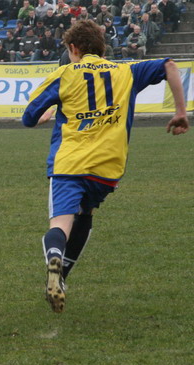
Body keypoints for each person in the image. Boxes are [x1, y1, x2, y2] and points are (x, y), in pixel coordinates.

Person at [21, 19, 189, 313]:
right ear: (102, 47)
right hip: (108, 168)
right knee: (85, 213)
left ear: (74, 48)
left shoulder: (65, 73)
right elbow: (170, 66)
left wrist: (44, 114)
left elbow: (28, 117)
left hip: (69, 163)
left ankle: (54, 260)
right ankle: (61, 279)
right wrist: (179, 112)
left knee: (60, 224)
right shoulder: (126, 71)